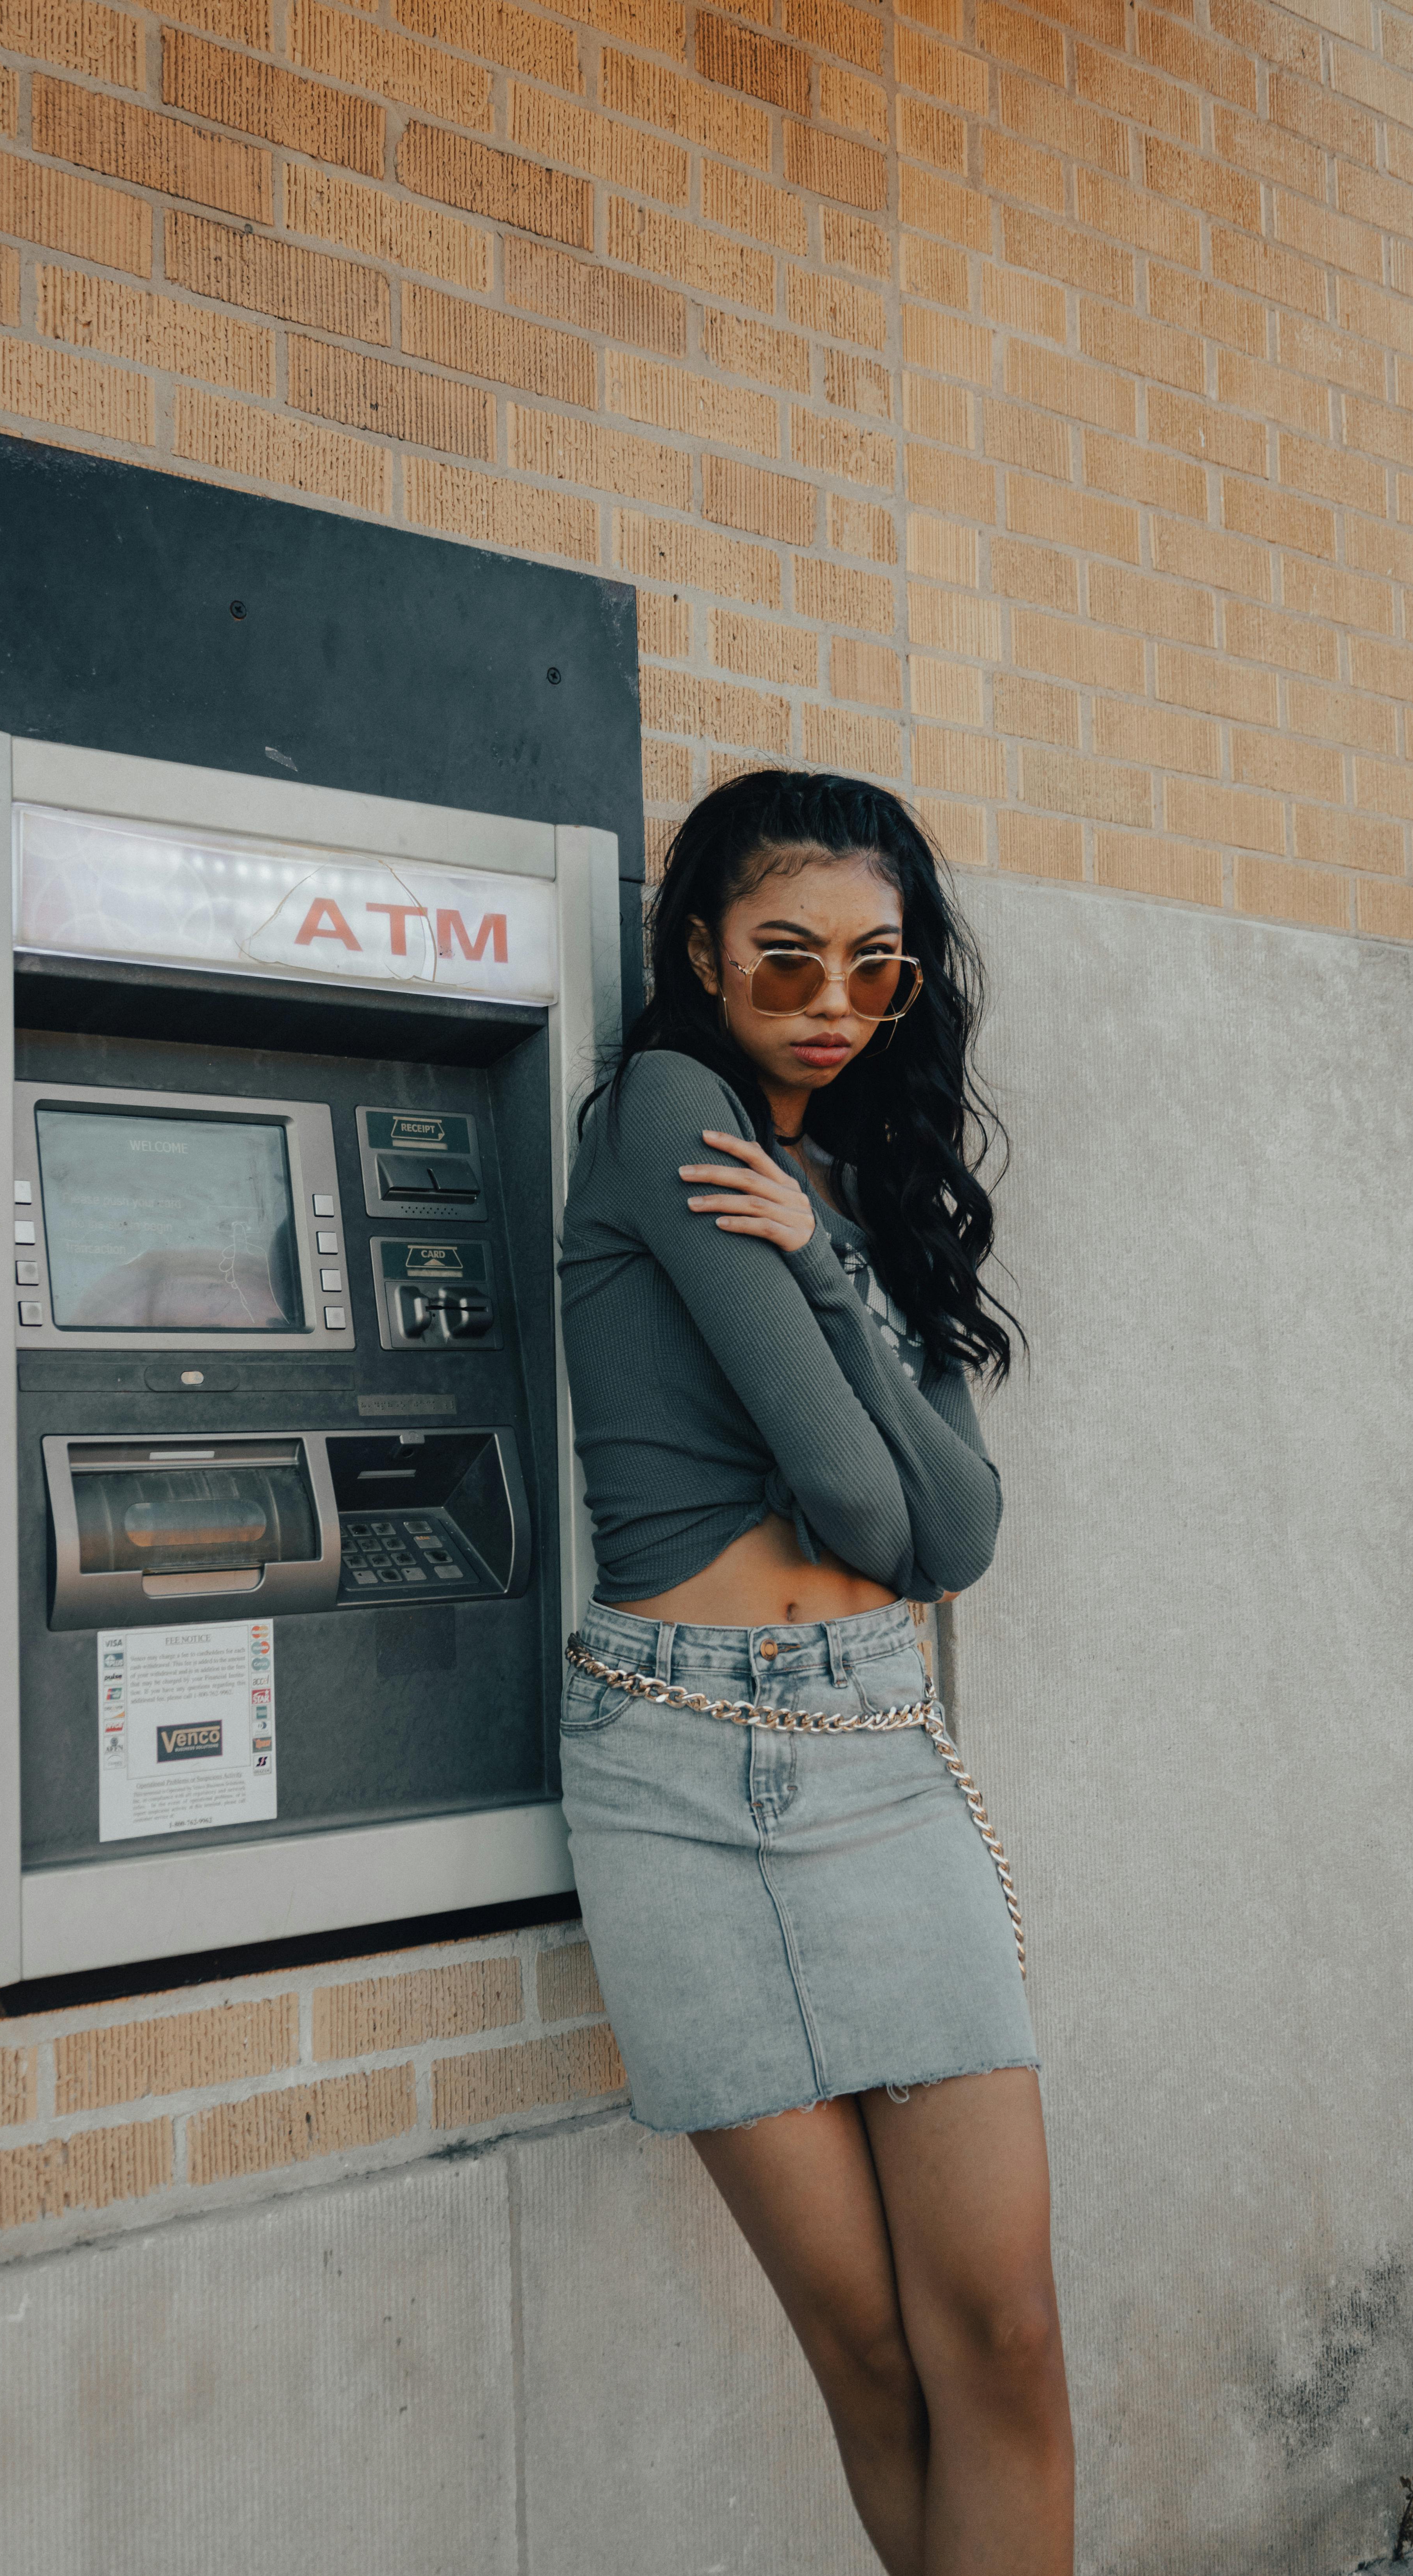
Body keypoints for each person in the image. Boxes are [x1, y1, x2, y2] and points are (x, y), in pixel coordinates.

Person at [557, 769, 1074, 2574]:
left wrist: (833, 1253)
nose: (832, 1002)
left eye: (876, 966)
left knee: (998, 2339)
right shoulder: (668, 1112)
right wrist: (822, 1264)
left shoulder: (866, 1182)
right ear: (698, 946)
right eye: (785, 959)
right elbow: (873, 1491)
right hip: (671, 1769)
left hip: (867, 1748)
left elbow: (958, 1541)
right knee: (866, 2360)